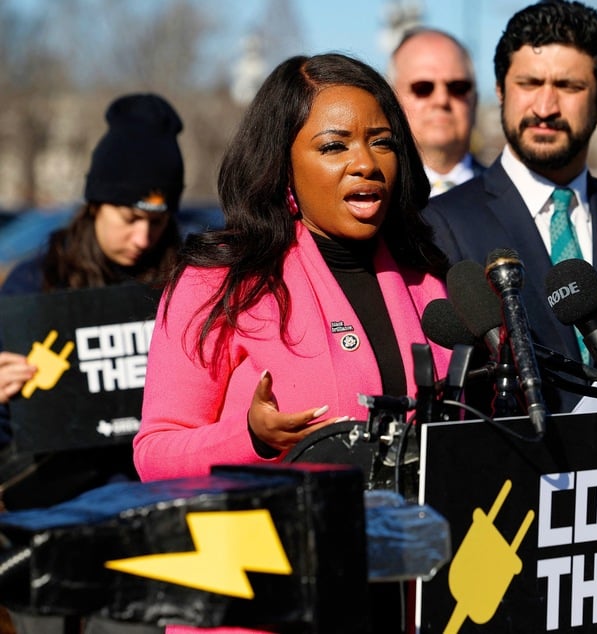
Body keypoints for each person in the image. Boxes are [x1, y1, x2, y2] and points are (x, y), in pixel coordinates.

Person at [132, 53, 451, 634]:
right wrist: (250, 437)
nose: (365, 163)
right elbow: (154, 454)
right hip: (262, 608)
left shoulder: (430, 281)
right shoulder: (220, 280)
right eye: (334, 146)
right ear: (283, 167)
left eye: (381, 143)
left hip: (403, 605)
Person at [421, 0, 597, 413]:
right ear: (500, 90)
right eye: (529, 83)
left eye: (569, 87)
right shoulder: (442, 222)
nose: (545, 107)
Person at [0, 92, 184, 633]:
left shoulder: (183, 280)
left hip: (146, 517)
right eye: (130, 218)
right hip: (47, 512)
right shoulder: (34, 283)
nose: (143, 237)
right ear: (95, 202)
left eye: (158, 219)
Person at [388, 27, 485, 196]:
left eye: (458, 88)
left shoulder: (514, 197)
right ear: (391, 100)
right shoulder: (376, 201)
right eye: (423, 88)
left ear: (475, 100)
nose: (441, 100)